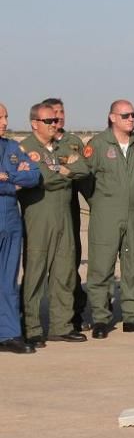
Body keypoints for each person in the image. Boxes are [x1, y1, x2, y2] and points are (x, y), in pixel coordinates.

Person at [82, 100, 134, 337]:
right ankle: (100, 318)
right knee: (101, 266)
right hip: (107, 213)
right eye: (125, 115)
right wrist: (100, 200)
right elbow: (85, 176)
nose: (131, 119)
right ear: (112, 117)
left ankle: (133, 316)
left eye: (133, 115)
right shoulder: (98, 144)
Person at [18, 103, 90, 347]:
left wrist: (59, 170)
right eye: (48, 121)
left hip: (64, 216)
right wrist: (63, 171)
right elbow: (42, 178)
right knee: (36, 272)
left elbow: (83, 168)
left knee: (65, 272)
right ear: (34, 123)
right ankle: (32, 327)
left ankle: (61, 325)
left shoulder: (61, 146)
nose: (54, 125)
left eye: (56, 121)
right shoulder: (26, 148)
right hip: (39, 215)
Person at [42, 97, 90, 331]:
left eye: (62, 111)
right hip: (46, 210)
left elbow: (83, 174)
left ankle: (75, 312)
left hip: (70, 210)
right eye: (54, 113)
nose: (59, 116)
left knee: (70, 265)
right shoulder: (41, 144)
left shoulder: (73, 142)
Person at [0, 102, 41, 354]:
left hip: (10, 220)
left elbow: (33, 176)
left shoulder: (12, 147)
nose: (4, 122)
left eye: (5, 116)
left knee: (8, 280)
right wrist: (13, 180)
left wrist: (7, 177)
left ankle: (9, 333)